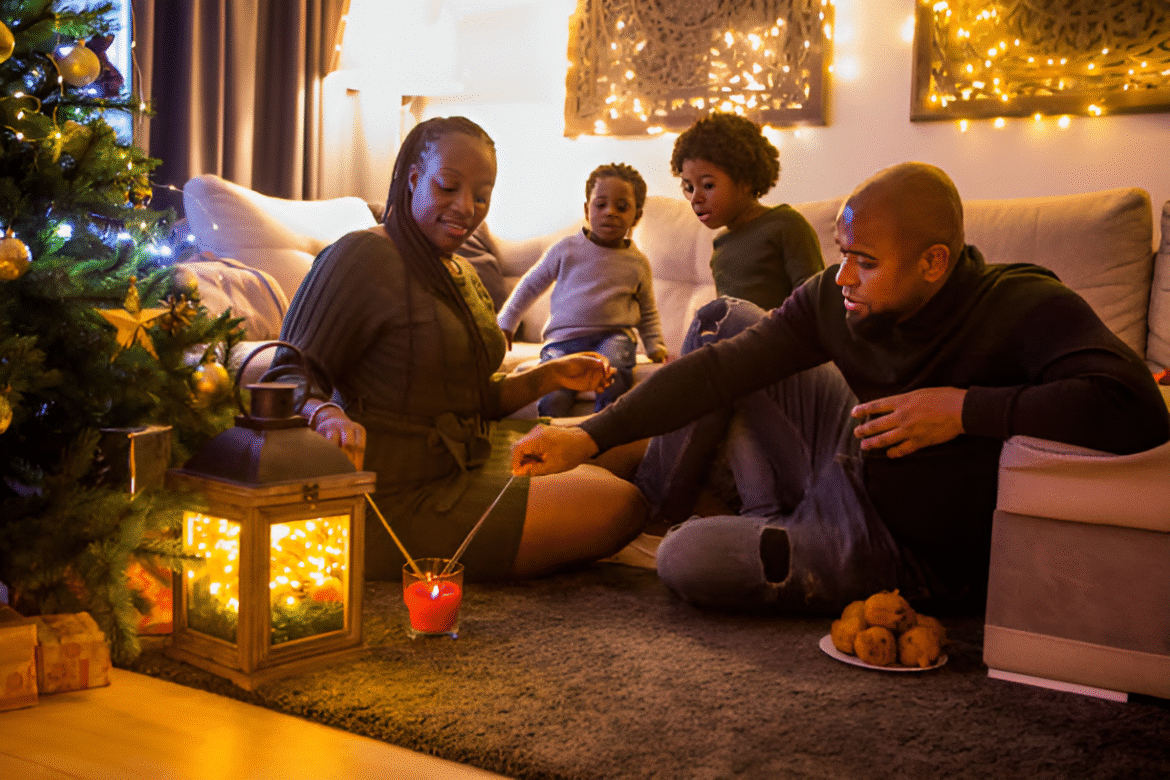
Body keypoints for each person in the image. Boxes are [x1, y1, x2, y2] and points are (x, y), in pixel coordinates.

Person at [510, 161, 1170, 615]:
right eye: (843, 252)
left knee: (685, 561)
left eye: (867, 261)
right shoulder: (838, 297)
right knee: (724, 319)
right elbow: (720, 368)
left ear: (933, 262)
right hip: (851, 450)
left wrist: (965, 410)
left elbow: (1136, 406)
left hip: (900, 547)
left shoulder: (1023, 305)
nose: (844, 276)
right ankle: (675, 503)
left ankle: (756, 517)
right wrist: (587, 436)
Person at [264, 116, 647, 582]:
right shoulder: (361, 256)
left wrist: (549, 376)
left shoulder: (459, 272)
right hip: (399, 496)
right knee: (621, 503)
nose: (466, 207)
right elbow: (285, 375)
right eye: (448, 187)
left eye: (481, 196)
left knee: (633, 438)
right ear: (413, 179)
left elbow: (472, 399)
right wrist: (327, 415)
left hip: (471, 457)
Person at [496, 162, 667, 417]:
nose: (610, 212)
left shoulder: (638, 263)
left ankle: (603, 429)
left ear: (637, 216)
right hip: (562, 341)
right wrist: (507, 322)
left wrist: (655, 345)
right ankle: (550, 432)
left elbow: (648, 311)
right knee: (553, 394)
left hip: (613, 337)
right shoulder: (565, 249)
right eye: (601, 205)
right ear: (587, 210)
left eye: (622, 207)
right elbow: (530, 285)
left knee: (614, 370)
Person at [673, 112, 823, 310]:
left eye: (708, 185)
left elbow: (815, 301)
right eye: (689, 187)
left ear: (745, 180)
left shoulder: (786, 225)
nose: (695, 199)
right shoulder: (721, 243)